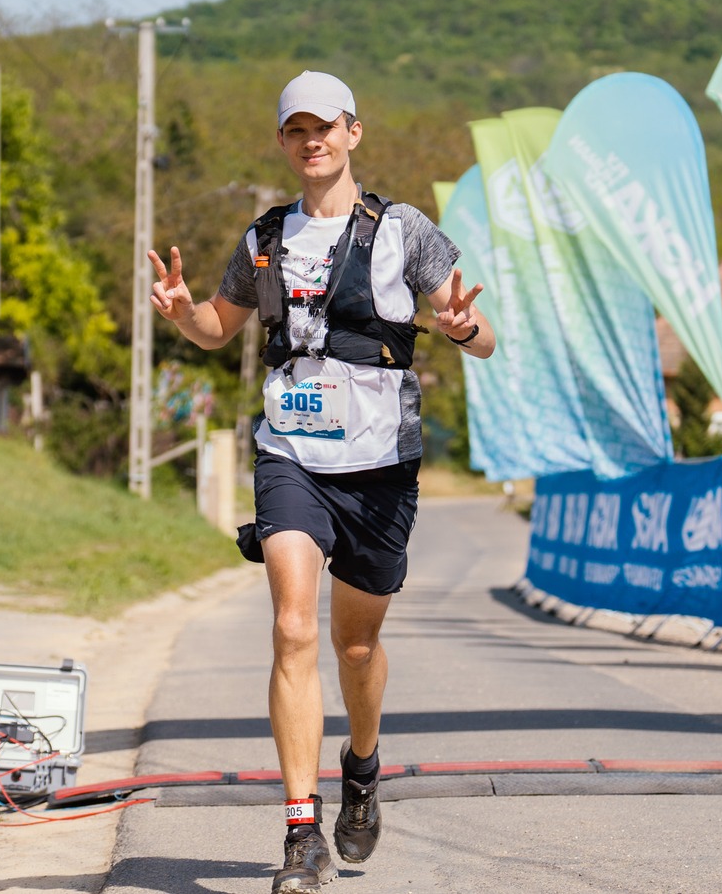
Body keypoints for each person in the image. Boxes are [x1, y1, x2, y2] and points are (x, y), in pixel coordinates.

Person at [147, 71, 493, 893]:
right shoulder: (265, 237)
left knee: (356, 644)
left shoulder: (403, 231)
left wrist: (461, 326)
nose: (312, 141)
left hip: (378, 469)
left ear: (352, 132)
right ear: (283, 141)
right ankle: (301, 832)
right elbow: (215, 328)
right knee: (293, 628)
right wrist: (184, 310)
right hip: (291, 456)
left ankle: (362, 765)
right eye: (297, 129)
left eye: (325, 127)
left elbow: (483, 338)